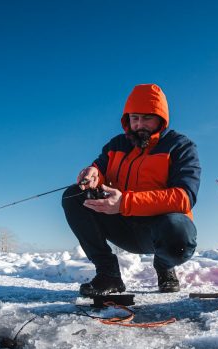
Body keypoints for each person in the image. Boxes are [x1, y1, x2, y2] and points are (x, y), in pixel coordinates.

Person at [62, 83, 201, 297]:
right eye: (134, 118)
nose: (139, 125)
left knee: (178, 235)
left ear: (161, 119)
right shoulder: (117, 144)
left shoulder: (180, 146)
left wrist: (125, 203)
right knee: (74, 195)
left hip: (160, 229)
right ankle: (109, 274)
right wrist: (93, 173)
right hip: (120, 225)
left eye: (146, 118)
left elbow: (184, 197)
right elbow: (100, 168)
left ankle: (164, 266)